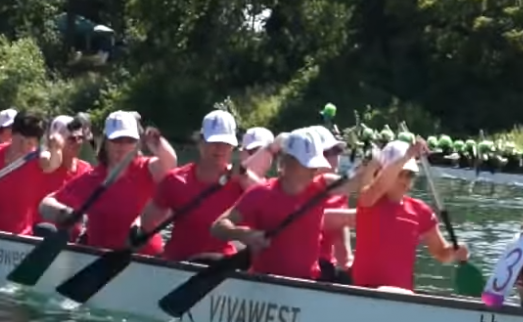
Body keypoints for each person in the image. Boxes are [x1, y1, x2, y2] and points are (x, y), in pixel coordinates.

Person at [210, 129, 365, 280]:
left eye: (315, 164)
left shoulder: (323, 186)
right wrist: (245, 234)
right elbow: (217, 227)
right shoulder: (261, 193)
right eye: (307, 164)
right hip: (267, 282)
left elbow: (360, 185)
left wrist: (374, 162)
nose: (314, 169)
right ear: (286, 162)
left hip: (308, 283)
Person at [37, 110, 177, 253]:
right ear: (106, 142)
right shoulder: (92, 178)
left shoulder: (147, 168)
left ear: (137, 143)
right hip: (99, 258)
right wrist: (65, 213)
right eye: (116, 140)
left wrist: (157, 142)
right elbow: (45, 205)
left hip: (144, 257)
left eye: (129, 140)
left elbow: (169, 163)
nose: (122, 147)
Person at [139, 110, 262, 262]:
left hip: (220, 264)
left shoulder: (241, 181)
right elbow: (148, 223)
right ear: (200, 142)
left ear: (233, 147)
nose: (219, 148)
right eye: (213, 142)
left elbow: (269, 197)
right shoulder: (174, 179)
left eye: (225, 143)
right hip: (177, 262)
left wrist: (245, 175)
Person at [352, 139, 469, 291]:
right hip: (366, 292)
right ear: (381, 172)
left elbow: (441, 253)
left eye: (410, 174)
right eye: (400, 173)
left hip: (402, 295)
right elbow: (379, 186)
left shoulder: (420, 210)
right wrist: (407, 156)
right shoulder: (369, 201)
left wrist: (454, 252)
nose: (405, 179)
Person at [305, 125, 354, 279]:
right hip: (299, 265)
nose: (336, 158)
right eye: (329, 153)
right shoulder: (294, 188)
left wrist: (351, 269)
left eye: (337, 151)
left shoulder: (340, 195)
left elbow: (343, 252)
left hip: (325, 266)